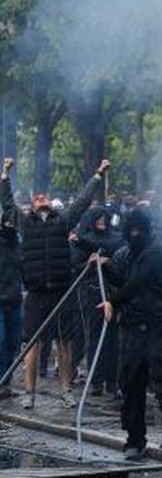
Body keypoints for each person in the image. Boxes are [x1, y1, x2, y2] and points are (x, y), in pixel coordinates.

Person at [1, 157, 106, 409]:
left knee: (63, 343)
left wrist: (98, 175)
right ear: (32, 207)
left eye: (43, 197)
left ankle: (65, 390)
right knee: (32, 344)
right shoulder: (25, 224)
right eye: (36, 198)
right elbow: (7, 202)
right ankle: (29, 392)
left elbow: (82, 202)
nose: (40, 198)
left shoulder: (63, 221)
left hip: (61, 291)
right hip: (37, 292)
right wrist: (5, 174)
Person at [96, 208, 162, 458]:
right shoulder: (127, 253)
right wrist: (105, 266)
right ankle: (134, 439)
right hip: (133, 325)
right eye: (131, 230)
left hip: (161, 323)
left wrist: (112, 302)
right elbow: (125, 280)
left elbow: (138, 282)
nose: (134, 234)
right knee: (130, 381)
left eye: (138, 230)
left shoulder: (156, 253)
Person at [73, 203, 125, 398]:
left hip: (113, 293)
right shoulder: (84, 239)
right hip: (92, 291)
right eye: (98, 218)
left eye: (104, 218)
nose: (102, 221)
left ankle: (112, 381)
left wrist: (108, 262)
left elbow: (119, 258)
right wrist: (89, 263)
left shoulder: (116, 239)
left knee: (113, 339)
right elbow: (75, 266)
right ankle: (96, 380)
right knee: (96, 337)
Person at [0, 158, 21, 397]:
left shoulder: (18, 242)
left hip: (15, 297)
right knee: (1, 341)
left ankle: (5, 381)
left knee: (14, 344)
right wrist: (5, 175)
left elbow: (10, 207)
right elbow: (7, 204)